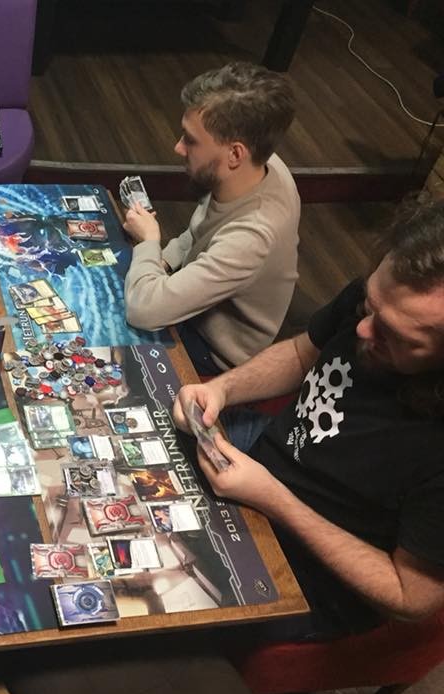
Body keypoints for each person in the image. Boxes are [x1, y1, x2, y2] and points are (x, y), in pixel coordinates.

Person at [174, 200, 444, 639]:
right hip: (262, 464)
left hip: (310, 575)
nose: (364, 330)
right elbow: (304, 353)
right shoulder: (380, 304)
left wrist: (274, 500)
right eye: (369, 306)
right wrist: (223, 388)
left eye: (394, 335)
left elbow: (410, 597)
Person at [123, 61, 301, 376]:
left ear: (235, 154)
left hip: (211, 350)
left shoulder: (252, 238)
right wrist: (165, 260)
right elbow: (199, 231)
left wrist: (149, 241)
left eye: (190, 140)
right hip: (198, 302)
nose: (178, 147)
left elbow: (143, 310)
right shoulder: (258, 165)